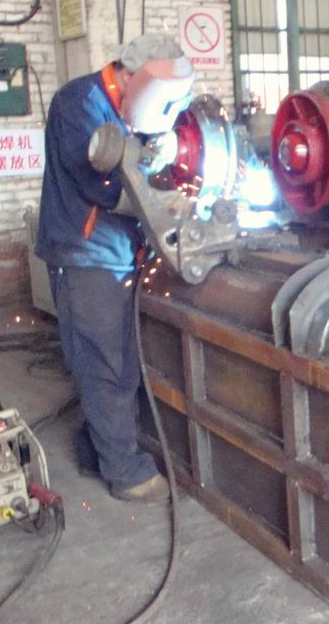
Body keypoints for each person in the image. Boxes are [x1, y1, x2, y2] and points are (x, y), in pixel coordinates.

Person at [36, 34, 195, 503]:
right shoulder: (79, 103)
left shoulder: (127, 107)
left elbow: (144, 152)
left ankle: (96, 451)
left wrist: (162, 152)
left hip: (118, 253)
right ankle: (125, 472)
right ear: (128, 74)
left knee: (112, 360)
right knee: (107, 365)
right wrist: (164, 199)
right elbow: (101, 185)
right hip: (85, 255)